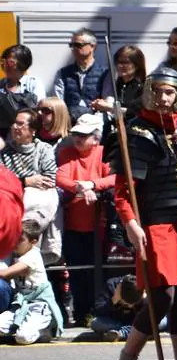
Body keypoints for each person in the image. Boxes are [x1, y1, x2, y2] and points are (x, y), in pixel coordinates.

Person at [103, 66, 177, 360]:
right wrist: (132, 224)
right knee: (162, 298)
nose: (163, 98)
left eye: (170, 92)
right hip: (156, 225)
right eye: (158, 91)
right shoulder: (138, 132)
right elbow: (123, 190)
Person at [55, 112, 114, 327]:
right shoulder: (66, 152)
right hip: (73, 224)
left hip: (99, 225)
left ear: (96, 138)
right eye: (76, 134)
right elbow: (61, 177)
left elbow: (114, 177)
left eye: (84, 135)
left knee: (96, 272)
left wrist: (92, 185)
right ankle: (81, 314)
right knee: (77, 272)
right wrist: (80, 186)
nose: (78, 138)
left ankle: (97, 312)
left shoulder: (103, 152)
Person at [0, 219, 59, 344]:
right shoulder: (18, 255)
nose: (15, 243)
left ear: (33, 242)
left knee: (23, 338)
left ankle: (45, 330)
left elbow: (4, 274)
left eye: (20, 240)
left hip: (38, 305)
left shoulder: (33, 256)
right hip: (21, 304)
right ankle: (19, 326)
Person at [53, 27, 108, 123]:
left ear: (92, 47)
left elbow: (108, 101)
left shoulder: (105, 73)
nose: (74, 48)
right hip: (70, 122)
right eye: (72, 45)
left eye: (78, 45)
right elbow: (58, 102)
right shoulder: (62, 73)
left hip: (95, 123)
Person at [93, 45, 147, 118]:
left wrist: (108, 108)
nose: (120, 65)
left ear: (137, 65)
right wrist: (99, 104)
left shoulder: (144, 87)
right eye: (118, 62)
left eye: (125, 62)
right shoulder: (116, 84)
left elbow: (134, 112)